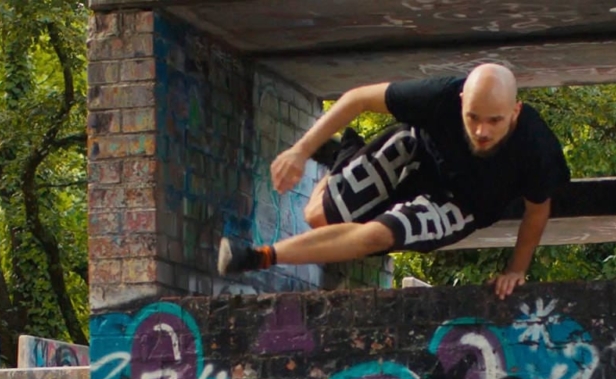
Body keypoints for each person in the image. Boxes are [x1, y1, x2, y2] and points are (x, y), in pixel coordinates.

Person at [217, 63, 570, 299]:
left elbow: (536, 212)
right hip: (415, 151)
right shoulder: (440, 95)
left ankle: (257, 257)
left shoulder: (537, 148)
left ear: (515, 111)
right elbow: (357, 99)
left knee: (375, 235)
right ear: (461, 99)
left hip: (461, 203)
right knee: (318, 216)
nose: (481, 131)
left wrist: (515, 271)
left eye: (495, 121)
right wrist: (300, 150)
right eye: (472, 117)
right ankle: (344, 155)